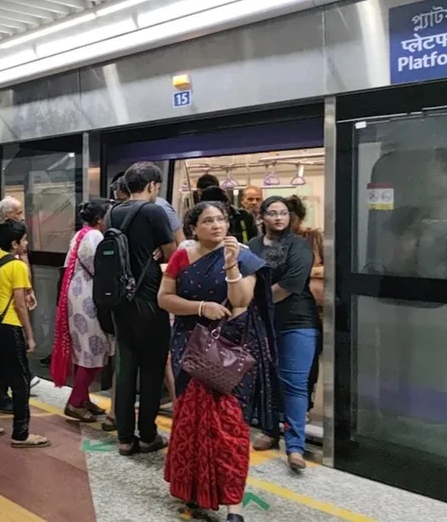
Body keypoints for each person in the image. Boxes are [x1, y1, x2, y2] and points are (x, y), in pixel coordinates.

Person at [159, 201, 279, 521]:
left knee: (229, 430)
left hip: (229, 352)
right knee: (191, 426)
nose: (217, 225)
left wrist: (230, 266)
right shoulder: (182, 256)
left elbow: (241, 302)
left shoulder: (243, 256)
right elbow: (164, 298)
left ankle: (233, 505)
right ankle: (195, 491)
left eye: (221, 219)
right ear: (194, 227)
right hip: (190, 347)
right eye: (208, 221)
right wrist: (201, 307)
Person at [108, 162, 176, 456]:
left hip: (120, 300)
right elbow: (173, 255)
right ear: (151, 186)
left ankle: (125, 437)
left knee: (125, 367)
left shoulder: (113, 211)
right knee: (151, 369)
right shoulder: (153, 211)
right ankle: (147, 435)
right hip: (149, 297)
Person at [248, 196, 320, 470]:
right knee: (266, 380)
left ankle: (296, 446)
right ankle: (269, 431)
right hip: (263, 322)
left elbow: (290, 284)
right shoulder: (253, 246)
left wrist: (253, 303)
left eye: (283, 213)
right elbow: (245, 277)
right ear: (262, 217)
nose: (279, 218)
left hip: (297, 322)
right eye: (272, 213)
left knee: (294, 383)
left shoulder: (300, 247)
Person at [0, 220, 49, 448]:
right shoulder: (17, 266)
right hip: (9, 328)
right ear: (15, 243)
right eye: (24, 240)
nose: (26, 243)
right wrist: (30, 334)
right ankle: (21, 433)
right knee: (20, 381)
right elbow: (20, 304)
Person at [53, 199, 114, 423]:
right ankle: (75, 403)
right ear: (99, 219)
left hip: (78, 296)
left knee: (86, 353)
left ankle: (83, 398)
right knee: (92, 352)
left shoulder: (82, 234)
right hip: (87, 300)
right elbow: (100, 269)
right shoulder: (95, 237)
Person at [285, 195, 324, 413]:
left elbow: (330, 265)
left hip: (313, 307)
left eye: (290, 217)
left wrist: (304, 272)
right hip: (284, 305)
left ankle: (305, 404)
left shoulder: (313, 237)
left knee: (309, 358)